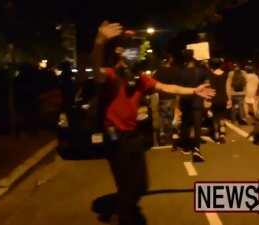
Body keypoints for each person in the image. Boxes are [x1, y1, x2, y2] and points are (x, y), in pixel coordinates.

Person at [92, 21, 215, 225]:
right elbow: (96, 68)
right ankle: (121, 217)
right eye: (128, 54)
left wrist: (194, 91)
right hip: (115, 139)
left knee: (141, 185)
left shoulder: (141, 80)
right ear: (119, 55)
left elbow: (170, 88)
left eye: (135, 54)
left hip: (133, 137)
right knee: (127, 186)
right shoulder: (111, 77)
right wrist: (99, 42)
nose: (132, 58)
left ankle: (121, 211)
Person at [175, 49, 209, 162]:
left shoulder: (180, 72)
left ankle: (185, 147)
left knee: (185, 124)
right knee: (197, 126)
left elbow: (178, 91)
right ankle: (196, 149)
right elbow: (207, 85)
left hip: (185, 101)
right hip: (197, 102)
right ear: (193, 57)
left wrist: (177, 105)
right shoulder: (201, 71)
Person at [152, 55, 178, 145]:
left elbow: (153, 81)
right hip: (172, 96)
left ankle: (162, 133)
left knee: (163, 116)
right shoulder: (174, 70)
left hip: (162, 96)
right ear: (169, 60)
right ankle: (169, 135)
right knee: (170, 116)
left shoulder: (159, 71)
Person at [208, 58, 228, 143]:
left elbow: (210, 88)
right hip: (224, 98)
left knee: (215, 117)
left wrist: (208, 99)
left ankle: (216, 134)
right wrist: (229, 99)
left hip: (214, 98)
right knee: (222, 116)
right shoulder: (225, 74)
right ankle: (222, 134)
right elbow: (227, 87)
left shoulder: (211, 75)